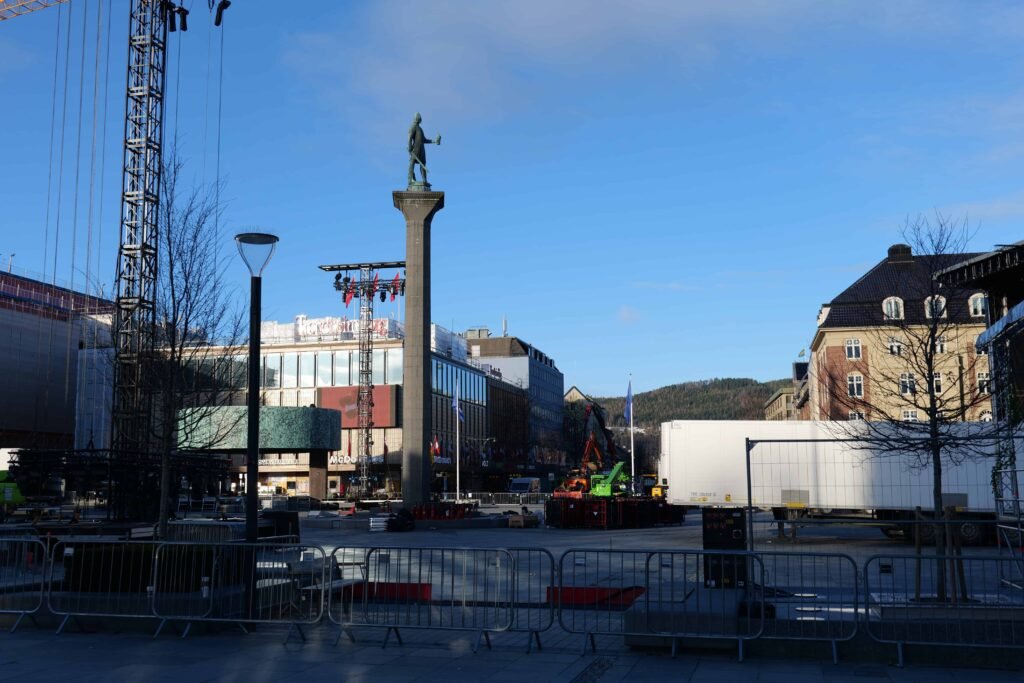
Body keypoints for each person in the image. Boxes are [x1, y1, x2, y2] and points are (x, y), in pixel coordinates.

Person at [407, 112, 440, 186]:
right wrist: (410, 148)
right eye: (419, 117)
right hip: (415, 149)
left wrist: (434, 141)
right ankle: (411, 179)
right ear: (416, 119)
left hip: (421, 149)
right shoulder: (413, 127)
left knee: (423, 164)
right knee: (412, 163)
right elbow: (409, 138)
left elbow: (424, 140)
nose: (419, 119)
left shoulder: (420, 129)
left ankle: (424, 180)